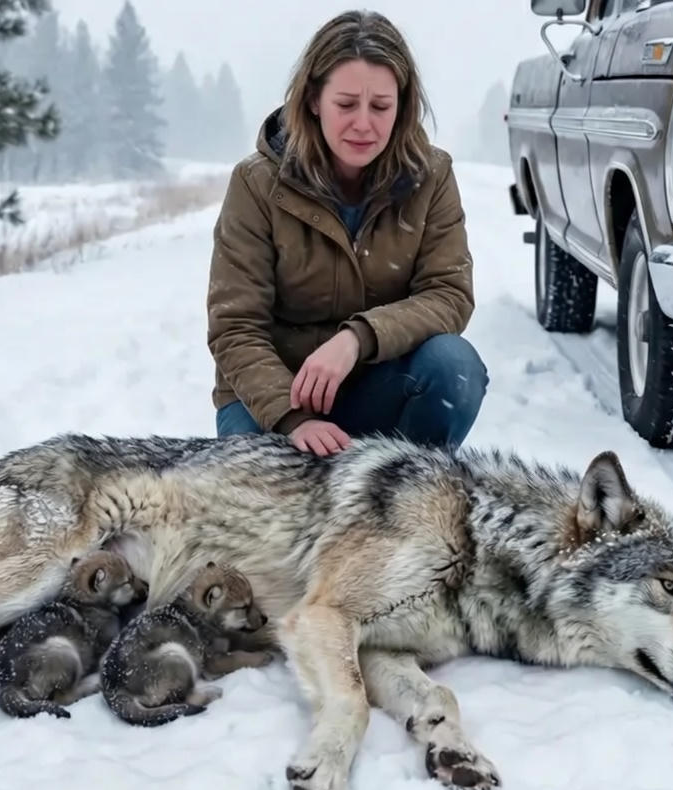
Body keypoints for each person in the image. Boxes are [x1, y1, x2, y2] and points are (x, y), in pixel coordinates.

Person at [206, 10, 487, 457]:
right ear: (314, 100)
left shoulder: (432, 176)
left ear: (402, 105)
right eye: (346, 104)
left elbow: (449, 294)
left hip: (377, 386)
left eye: (380, 107)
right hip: (272, 399)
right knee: (271, 513)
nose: (363, 124)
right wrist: (292, 415)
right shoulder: (256, 184)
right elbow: (235, 327)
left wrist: (356, 339)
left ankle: (403, 502)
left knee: (454, 365)